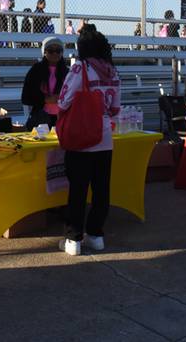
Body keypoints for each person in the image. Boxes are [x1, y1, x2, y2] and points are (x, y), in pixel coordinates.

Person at [57, 27, 121, 256]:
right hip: (104, 137)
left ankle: (73, 239)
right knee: (101, 189)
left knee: (78, 189)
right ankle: (96, 235)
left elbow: (63, 102)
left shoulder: (79, 68)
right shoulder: (112, 71)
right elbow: (115, 109)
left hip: (81, 138)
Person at [22, 37, 69, 129]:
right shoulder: (36, 70)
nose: (55, 53)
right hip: (41, 118)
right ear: (44, 52)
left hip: (62, 118)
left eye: (58, 50)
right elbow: (25, 98)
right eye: (51, 50)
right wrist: (45, 99)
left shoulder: (67, 72)